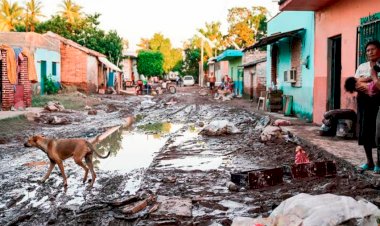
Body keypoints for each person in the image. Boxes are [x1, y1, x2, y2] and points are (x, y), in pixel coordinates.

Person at [355, 40, 380, 173]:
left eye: (373, 49)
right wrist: (370, 79)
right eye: (368, 50)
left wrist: (365, 80)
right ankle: (369, 161)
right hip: (364, 102)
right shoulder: (362, 66)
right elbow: (355, 83)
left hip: (378, 102)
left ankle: (378, 163)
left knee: (378, 132)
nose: (370, 52)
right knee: (365, 131)